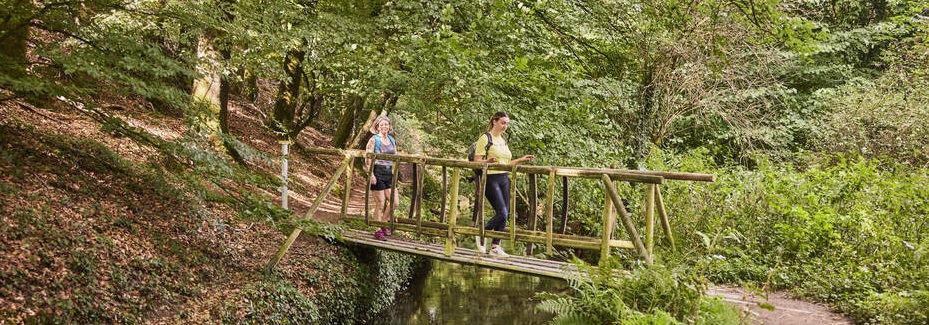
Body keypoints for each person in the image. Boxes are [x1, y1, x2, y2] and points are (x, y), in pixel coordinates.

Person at [472, 111, 535, 256]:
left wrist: (521, 159)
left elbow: (506, 163)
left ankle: (495, 247)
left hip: (504, 178)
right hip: (490, 178)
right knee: (502, 212)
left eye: (507, 123)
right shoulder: (485, 138)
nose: (505, 126)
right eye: (502, 123)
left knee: (505, 214)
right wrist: (487, 162)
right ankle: (482, 234)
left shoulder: (503, 140)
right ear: (494, 121)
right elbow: (477, 161)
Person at [365, 115, 400, 241]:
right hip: (377, 172)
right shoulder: (374, 140)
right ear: (377, 127)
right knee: (380, 203)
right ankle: (377, 230)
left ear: (389, 127)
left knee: (395, 202)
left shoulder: (391, 139)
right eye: (382, 125)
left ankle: (383, 223)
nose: (384, 126)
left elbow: (396, 155)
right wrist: (371, 174)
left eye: (386, 124)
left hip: (388, 173)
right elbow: (367, 157)